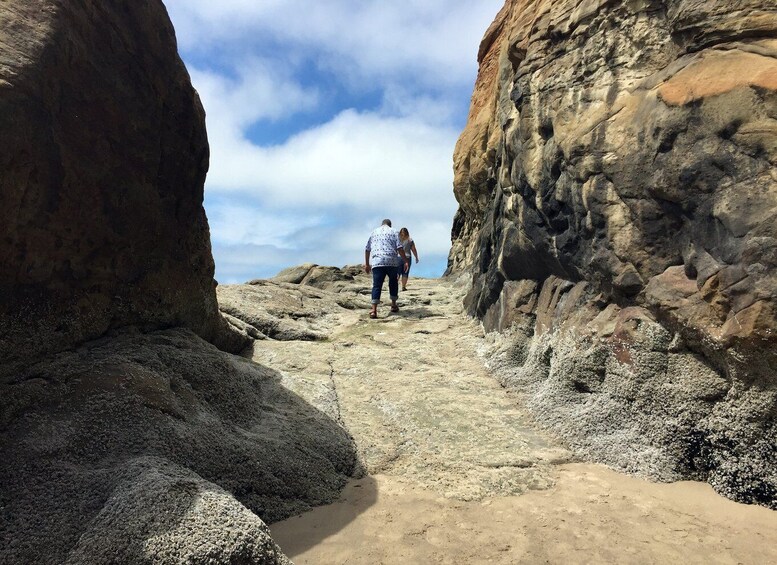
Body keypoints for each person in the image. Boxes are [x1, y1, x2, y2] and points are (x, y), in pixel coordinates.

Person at [365, 219, 409, 319]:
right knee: (393, 282)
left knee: (377, 285)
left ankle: (374, 310)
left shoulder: (374, 232)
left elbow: (367, 249)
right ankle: (393, 305)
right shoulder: (394, 231)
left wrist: (367, 264)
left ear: (381, 224)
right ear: (390, 225)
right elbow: (399, 248)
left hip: (377, 262)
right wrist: (405, 261)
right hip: (391, 261)